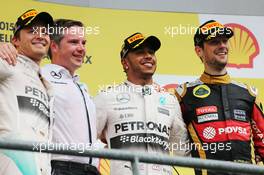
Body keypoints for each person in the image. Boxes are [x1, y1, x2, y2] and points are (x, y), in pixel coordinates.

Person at [0, 19, 100, 175]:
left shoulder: (46, 81)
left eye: (84, 43)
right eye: (74, 42)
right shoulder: (17, 65)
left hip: (50, 167)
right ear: (54, 46)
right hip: (57, 167)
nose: (81, 48)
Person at [174, 20, 264, 175]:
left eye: (224, 41)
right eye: (214, 42)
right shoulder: (184, 94)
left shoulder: (248, 93)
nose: (222, 46)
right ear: (199, 51)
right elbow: (176, 144)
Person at [93, 32, 189, 175]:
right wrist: (109, 152)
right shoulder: (106, 97)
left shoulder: (169, 99)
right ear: (125, 63)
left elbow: (182, 150)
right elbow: (86, 140)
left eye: (151, 52)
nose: (148, 56)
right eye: (140, 52)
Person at [0, 9, 54, 175]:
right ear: (15, 40)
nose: (40, 36)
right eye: (32, 31)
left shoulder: (45, 83)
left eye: (45, 32)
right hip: (10, 164)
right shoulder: (8, 63)